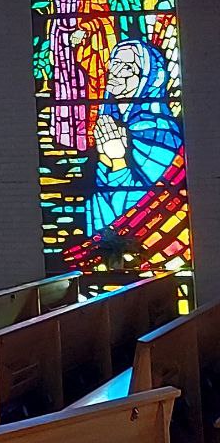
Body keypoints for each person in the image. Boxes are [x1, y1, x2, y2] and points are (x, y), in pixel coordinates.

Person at [65, 40, 187, 271]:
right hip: (108, 244)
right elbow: (102, 194)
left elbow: (153, 200)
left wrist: (119, 160)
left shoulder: (160, 131)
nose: (116, 71)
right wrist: (107, 160)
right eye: (115, 62)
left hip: (157, 249)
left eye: (128, 67)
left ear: (150, 79)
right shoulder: (109, 121)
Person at [49, 0, 115, 149]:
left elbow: (103, 18)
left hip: (84, 48)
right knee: (64, 88)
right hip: (61, 46)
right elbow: (56, 20)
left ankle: (83, 137)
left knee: (82, 89)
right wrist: (52, 47)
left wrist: (84, 31)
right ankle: (65, 137)